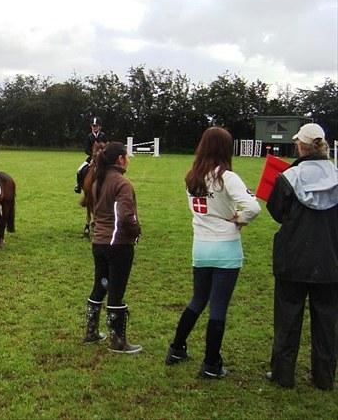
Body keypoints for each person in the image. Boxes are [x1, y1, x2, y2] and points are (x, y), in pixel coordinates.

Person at [165, 126, 260, 379]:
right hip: (226, 248)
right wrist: (241, 218)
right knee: (218, 307)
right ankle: (211, 364)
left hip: (201, 247)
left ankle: (176, 348)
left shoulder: (191, 177)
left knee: (198, 300)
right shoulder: (227, 177)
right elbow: (253, 206)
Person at [265, 123, 337, 391]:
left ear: (302, 146)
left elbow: (276, 211)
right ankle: (325, 377)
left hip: (292, 258)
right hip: (330, 259)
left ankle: (283, 374)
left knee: (287, 319)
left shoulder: (289, 176)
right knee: (327, 322)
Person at [83, 141, 142, 353]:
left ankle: (90, 332)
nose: (128, 160)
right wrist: (136, 231)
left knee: (100, 286)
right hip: (118, 245)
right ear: (120, 159)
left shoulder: (98, 181)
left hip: (99, 242)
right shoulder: (122, 184)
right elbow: (126, 217)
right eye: (127, 156)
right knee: (116, 291)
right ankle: (118, 341)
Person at [75, 117, 107, 193]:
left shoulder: (103, 135)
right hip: (91, 157)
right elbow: (86, 149)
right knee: (79, 170)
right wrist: (93, 156)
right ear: (91, 126)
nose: (94, 127)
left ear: (100, 127)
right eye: (93, 126)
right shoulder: (89, 136)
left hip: (102, 158)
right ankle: (79, 186)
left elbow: (106, 147)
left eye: (96, 126)